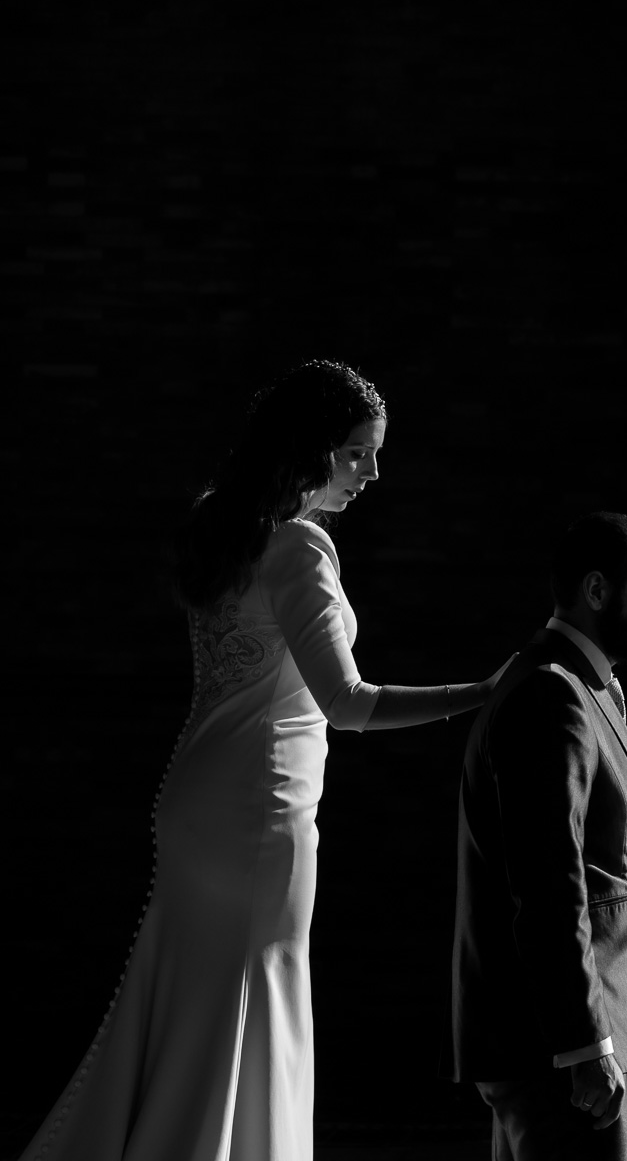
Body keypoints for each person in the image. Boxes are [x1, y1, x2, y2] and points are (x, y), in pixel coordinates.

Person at [21, 361, 511, 1161]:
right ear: (311, 450)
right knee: (254, 992)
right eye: (357, 452)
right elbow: (347, 703)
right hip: (260, 809)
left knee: (196, 1001)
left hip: (195, 802)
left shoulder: (221, 525)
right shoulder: (301, 549)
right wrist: (479, 694)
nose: (372, 472)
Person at [448, 512, 627, 1161]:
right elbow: (549, 883)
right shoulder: (553, 696)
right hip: (557, 1047)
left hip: (562, 1040)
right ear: (597, 591)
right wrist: (584, 1042)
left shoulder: (579, 684)